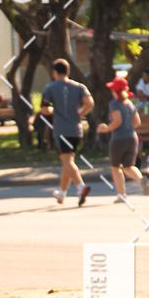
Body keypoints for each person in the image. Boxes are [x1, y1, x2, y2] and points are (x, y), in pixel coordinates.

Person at [41, 59, 94, 206]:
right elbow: (90, 103)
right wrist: (80, 113)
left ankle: (80, 187)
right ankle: (61, 193)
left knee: (67, 161)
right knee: (68, 162)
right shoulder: (79, 87)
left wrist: (52, 110)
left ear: (54, 72)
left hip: (61, 129)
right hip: (76, 129)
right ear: (68, 71)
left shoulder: (50, 88)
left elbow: (45, 108)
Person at [97, 76, 149, 201]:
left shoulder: (114, 104)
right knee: (129, 167)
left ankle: (122, 195)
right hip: (132, 138)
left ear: (115, 91)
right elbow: (136, 122)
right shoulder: (129, 104)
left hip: (118, 139)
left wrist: (105, 129)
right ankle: (142, 180)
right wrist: (127, 127)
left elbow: (117, 121)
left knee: (116, 167)